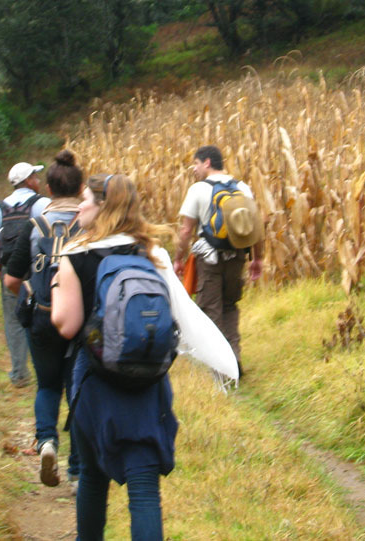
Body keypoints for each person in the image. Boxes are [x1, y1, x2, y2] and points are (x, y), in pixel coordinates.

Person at [52, 174, 177, 541]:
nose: (80, 205)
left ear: (104, 206)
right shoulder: (152, 252)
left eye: (86, 199)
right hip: (148, 382)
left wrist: (59, 285)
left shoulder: (76, 252)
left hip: (95, 381)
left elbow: (66, 324)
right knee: (144, 490)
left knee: (92, 477)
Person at [3, 150, 83, 491]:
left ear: (48, 188)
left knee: (48, 385)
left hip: (42, 318)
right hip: (80, 322)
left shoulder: (35, 227)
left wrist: (32, 290)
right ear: (80, 188)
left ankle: (47, 440)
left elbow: (10, 280)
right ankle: (78, 469)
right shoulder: (89, 224)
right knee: (79, 390)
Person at [173, 145, 263, 376]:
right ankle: (234, 358)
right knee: (230, 306)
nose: (194, 169)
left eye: (195, 163)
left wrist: (178, 260)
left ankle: (220, 369)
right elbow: (255, 226)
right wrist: (257, 259)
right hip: (237, 256)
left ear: (207, 163)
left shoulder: (198, 189)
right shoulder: (243, 187)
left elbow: (185, 231)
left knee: (210, 309)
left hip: (209, 258)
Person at [0, 161, 49, 387]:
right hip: (37, 267)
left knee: (13, 319)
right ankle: (44, 367)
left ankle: (19, 373)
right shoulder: (42, 204)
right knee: (41, 315)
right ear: (29, 181)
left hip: (10, 269)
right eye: (36, 177)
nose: (39, 181)